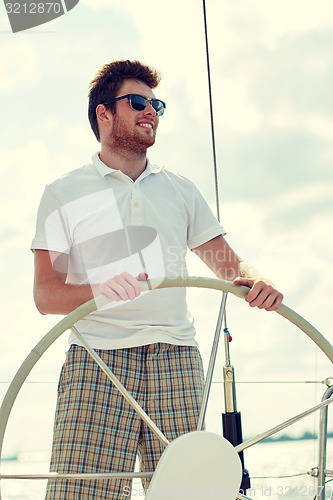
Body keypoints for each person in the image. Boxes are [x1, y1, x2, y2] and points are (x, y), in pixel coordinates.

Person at [31, 59, 283, 499]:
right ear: (103, 113)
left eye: (156, 104)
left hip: (176, 357)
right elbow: (45, 295)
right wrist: (100, 290)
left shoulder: (181, 189)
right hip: (97, 361)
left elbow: (230, 266)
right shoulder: (62, 192)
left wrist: (256, 281)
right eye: (138, 102)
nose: (151, 111)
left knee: (191, 494)